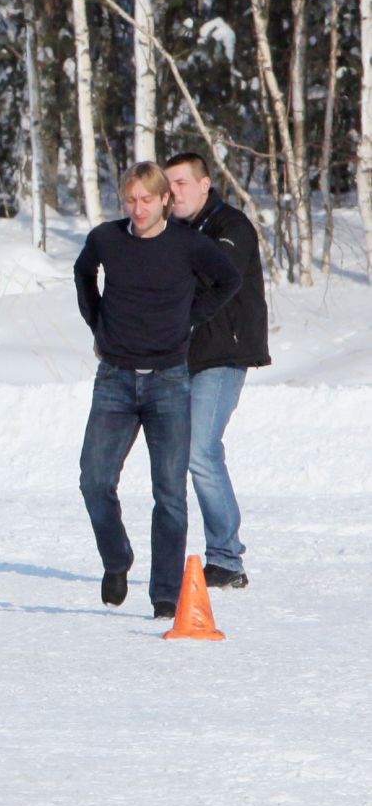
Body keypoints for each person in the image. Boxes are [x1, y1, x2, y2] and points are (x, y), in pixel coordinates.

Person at [74, 162, 241, 618]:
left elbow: (230, 280)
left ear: (165, 199)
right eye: (130, 199)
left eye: (146, 199)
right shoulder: (106, 239)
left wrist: (190, 316)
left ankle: (165, 594)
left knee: (169, 492)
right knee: (94, 480)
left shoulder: (188, 245)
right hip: (115, 379)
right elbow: (83, 273)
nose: (138, 208)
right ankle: (116, 559)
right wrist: (98, 322)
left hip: (168, 381)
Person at [163, 152, 269, 590]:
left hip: (224, 356)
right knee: (175, 456)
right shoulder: (174, 232)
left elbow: (213, 277)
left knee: (200, 453)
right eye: (168, 186)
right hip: (182, 357)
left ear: (205, 184)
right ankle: (172, 558)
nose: (174, 193)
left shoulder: (232, 227)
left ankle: (226, 559)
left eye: (182, 183)